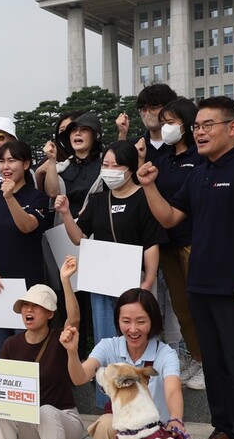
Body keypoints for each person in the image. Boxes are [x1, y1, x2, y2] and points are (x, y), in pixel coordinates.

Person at [137, 96, 234, 439]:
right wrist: (149, 186)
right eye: (196, 126)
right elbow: (169, 218)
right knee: (212, 364)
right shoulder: (197, 173)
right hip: (201, 284)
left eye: (207, 124)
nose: (199, 131)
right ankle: (225, 429)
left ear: (232, 127)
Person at [61, 287, 184, 439]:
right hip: (125, 427)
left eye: (141, 321)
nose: (133, 329)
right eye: (126, 321)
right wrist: (71, 352)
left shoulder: (164, 353)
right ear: (118, 321)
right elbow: (79, 377)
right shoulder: (108, 346)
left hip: (157, 431)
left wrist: (176, 419)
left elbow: (173, 389)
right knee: (104, 424)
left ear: (153, 321)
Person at [56, 140, 165, 369]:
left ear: (130, 168)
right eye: (105, 165)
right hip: (102, 281)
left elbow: (152, 242)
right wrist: (66, 214)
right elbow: (79, 237)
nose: (109, 171)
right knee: (106, 340)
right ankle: (106, 398)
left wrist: (148, 280)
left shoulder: (145, 198)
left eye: (115, 165)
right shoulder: (97, 201)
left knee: (136, 335)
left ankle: (139, 391)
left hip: (135, 281)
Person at [0, 257, 85, 439]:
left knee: (45, 411)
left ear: (50, 313)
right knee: (1, 411)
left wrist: (65, 280)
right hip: (29, 425)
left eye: (36, 306)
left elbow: (73, 320)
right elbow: (1, 385)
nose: (28, 311)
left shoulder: (59, 340)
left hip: (64, 422)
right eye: (25, 306)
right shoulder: (11, 345)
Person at [0, 140, 53, 357]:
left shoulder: (37, 197)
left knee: (27, 349)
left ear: (26, 164)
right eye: (1, 161)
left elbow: (27, 226)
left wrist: (10, 197)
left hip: (28, 287)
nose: (5, 166)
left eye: (12, 160)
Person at [153, 98, 205, 389]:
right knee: (182, 306)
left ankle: (211, 360)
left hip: (194, 240)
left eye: (171, 121)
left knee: (202, 303)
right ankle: (198, 357)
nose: (166, 127)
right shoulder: (162, 161)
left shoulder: (200, 157)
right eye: (163, 122)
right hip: (167, 243)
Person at [116, 83, 179, 164]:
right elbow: (119, 166)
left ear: (169, 108)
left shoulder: (179, 145)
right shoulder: (134, 145)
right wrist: (122, 134)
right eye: (143, 109)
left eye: (153, 108)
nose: (147, 113)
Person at [59, 112, 104, 215]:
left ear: (95, 135)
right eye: (73, 130)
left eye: (84, 129)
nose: (77, 133)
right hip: (64, 228)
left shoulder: (105, 164)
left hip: (98, 226)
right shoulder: (60, 168)